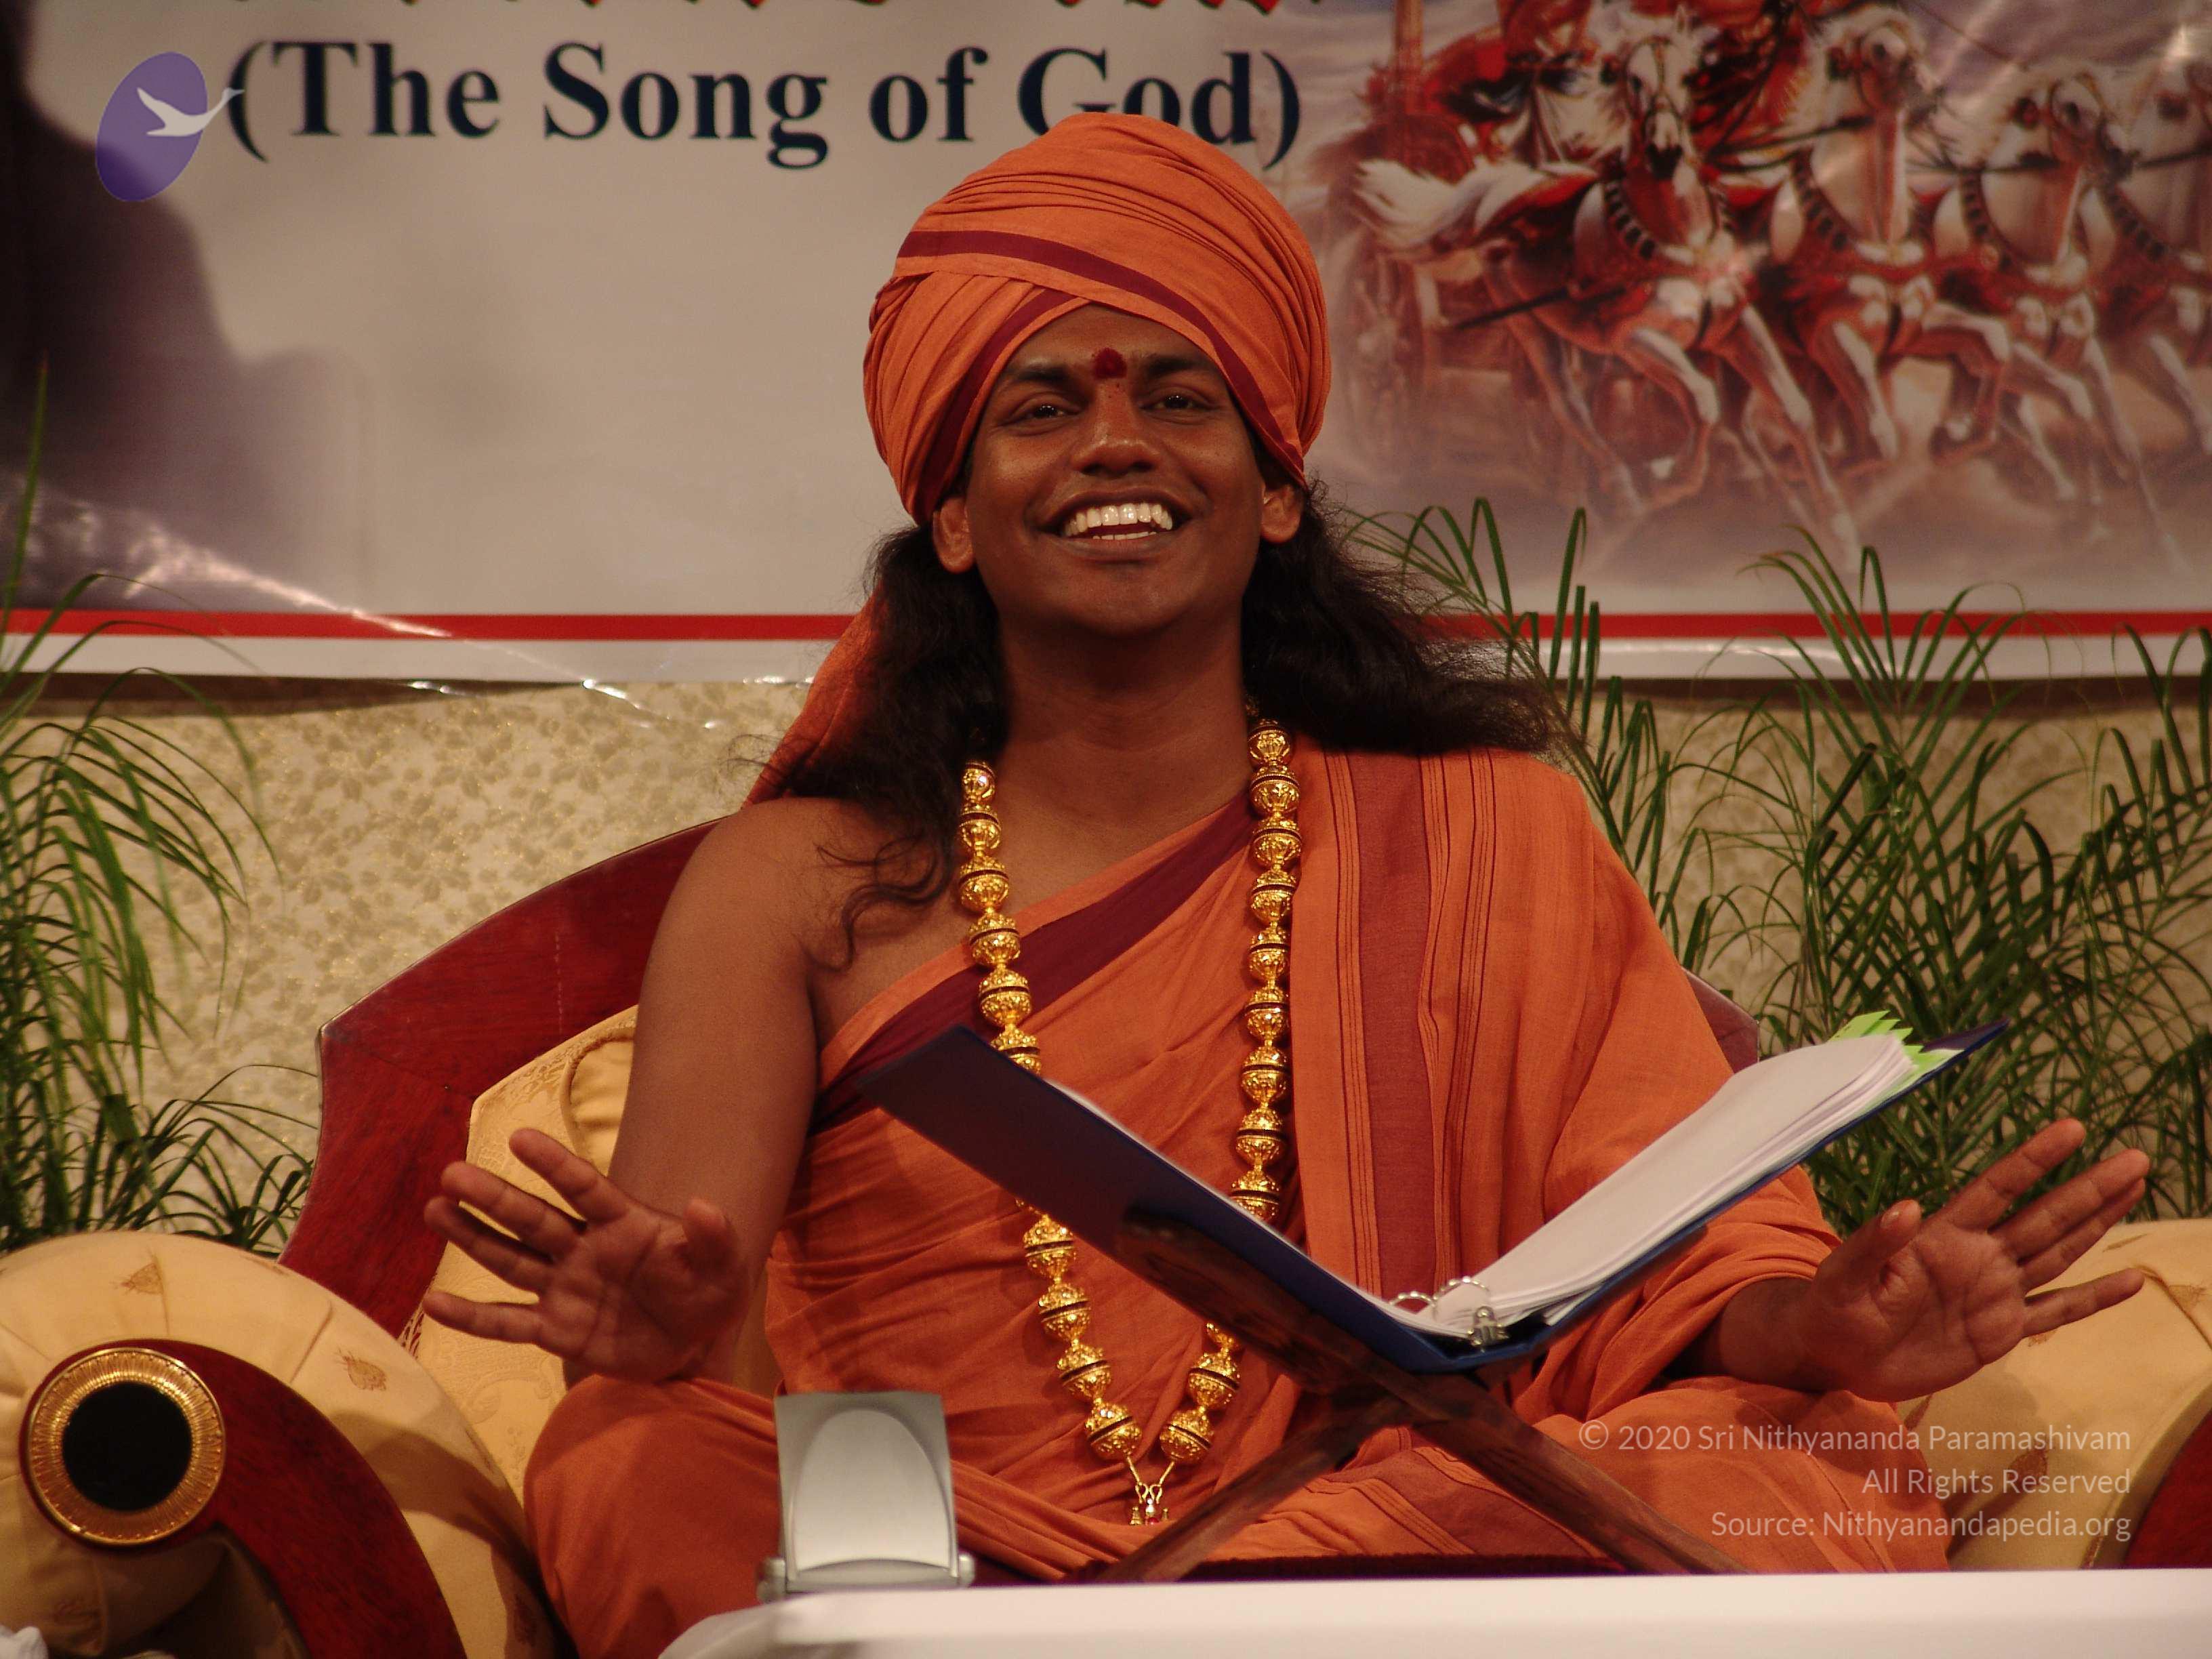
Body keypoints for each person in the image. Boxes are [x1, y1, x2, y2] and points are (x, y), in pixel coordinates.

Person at [421, 115, 2149, 1658]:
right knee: (628, 1461)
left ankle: (1203, 1613)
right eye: (1044, 406)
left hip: (1409, 1513)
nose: (1116, 443)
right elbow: (689, 1370)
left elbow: (1669, 1298)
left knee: (1791, 1459)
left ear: (1273, 493)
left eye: (1179, 399)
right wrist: (658, 1335)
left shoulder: (1492, 831)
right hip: (968, 1566)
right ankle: (1235, 1618)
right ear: (951, 515)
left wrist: (1817, 1327)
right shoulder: (799, 879)